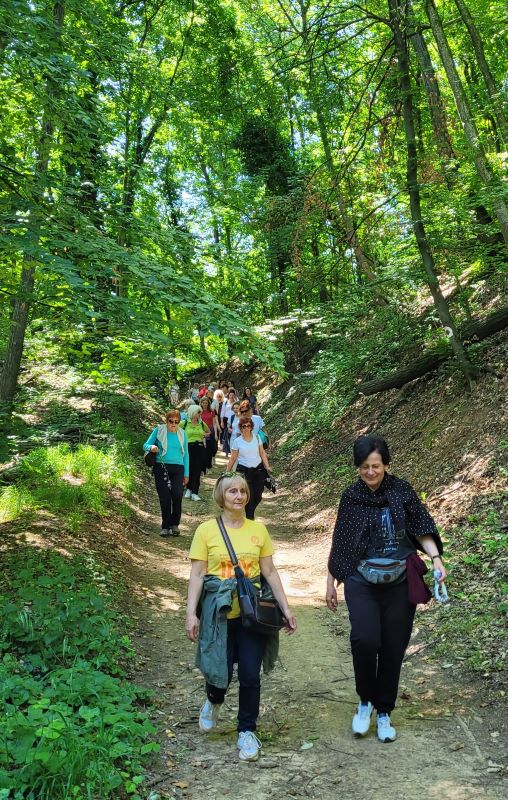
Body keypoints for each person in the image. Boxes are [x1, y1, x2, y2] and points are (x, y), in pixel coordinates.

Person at [326, 434, 446, 743]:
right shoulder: (351, 496)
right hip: (361, 578)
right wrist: (331, 582)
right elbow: (341, 541)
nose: (370, 472)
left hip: (400, 580)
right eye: (365, 467)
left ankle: (384, 712)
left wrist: (436, 560)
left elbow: (422, 526)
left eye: (376, 466)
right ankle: (365, 701)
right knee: (365, 640)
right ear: (358, 467)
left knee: (393, 647)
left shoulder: (402, 490)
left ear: (386, 465)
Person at [185, 473, 297, 762]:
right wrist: (191, 614)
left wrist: (286, 609)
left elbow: (269, 572)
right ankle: (214, 700)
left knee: (249, 674)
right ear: (221, 497)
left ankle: (247, 730)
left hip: (251, 615)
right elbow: (197, 574)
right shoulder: (206, 531)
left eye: (242, 491)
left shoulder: (258, 530)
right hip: (219, 615)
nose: (238, 496)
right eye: (232, 491)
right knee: (219, 672)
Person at [143, 410, 189, 537]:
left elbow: (186, 454)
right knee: (165, 497)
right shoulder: (159, 430)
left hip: (178, 468)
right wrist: (151, 447)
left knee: (177, 495)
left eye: (176, 422)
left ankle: (175, 524)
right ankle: (165, 526)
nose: (173, 424)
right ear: (166, 420)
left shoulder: (183, 433)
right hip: (161, 466)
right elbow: (145, 445)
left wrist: (186, 473)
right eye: (171, 421)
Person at [227, 417, 271, 520]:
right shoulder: (237, 441)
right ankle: (250, 518)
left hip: (258, 470)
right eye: (244, 426)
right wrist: (227, 472)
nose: (246, 428)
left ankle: (250, 511)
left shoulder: (257, 437)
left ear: (251, 427)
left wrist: (267, 466)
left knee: (258, 496)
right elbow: (233, 458)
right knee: (249, 496)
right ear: (241, 428)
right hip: (244, 472)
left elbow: (262, 453)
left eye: (248, 426)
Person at [181, 405, 210, 501]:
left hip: (200, 447)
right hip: (188, 448)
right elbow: (174, 430)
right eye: (198, 412)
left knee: (197, 469)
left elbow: (209, 432)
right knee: (189, 468)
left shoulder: (201, 423)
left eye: (200, 412)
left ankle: (195, 492)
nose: (200, 414)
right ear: (193, 412)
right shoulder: (184, 423)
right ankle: (188, 489)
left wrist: (204, 435)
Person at [200, 395, 220, 472]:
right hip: (201, 432)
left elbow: (214, 423)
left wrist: (215, 434)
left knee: (210, 450)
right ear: (201, 403)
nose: (205, 404)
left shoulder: (212, 411)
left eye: (206, 403)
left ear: (208, 403)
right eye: (203, 403)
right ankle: (203, 468)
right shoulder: (199, 411)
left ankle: (209, 466)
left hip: (211, 431)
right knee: (203, 450)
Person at [221, 389, 238, 456]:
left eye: (233, 395)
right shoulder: (225, 402)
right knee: (226, 435)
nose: (231, 396)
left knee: (233, 434)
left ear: (234, 396)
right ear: (229, 395)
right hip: (226, 419)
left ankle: (234, 449)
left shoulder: (236, 402)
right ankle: (226, 450)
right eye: (230, 395)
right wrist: (221, 421)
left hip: (234, 419)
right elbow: (222, 411)